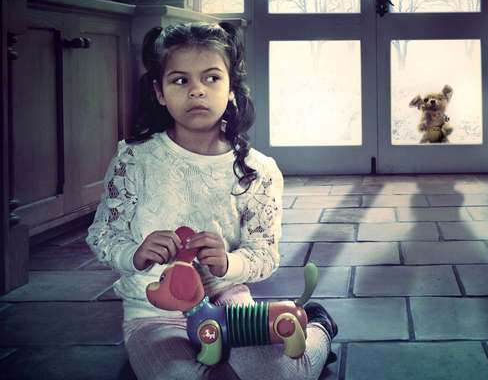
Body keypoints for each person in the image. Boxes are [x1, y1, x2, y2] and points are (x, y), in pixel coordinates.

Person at [86, 22, 338, 380]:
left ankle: (320, 329)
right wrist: (135, 253)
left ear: (232, 89)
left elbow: (264, 255)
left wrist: (227, 263)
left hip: (228, 302)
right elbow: (102, 235)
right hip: (153, 311)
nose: (196, 91)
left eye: (211, 79)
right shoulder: (134, 161)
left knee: (282, 375)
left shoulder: (257, 170)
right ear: (159, 92)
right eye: (180, 80)